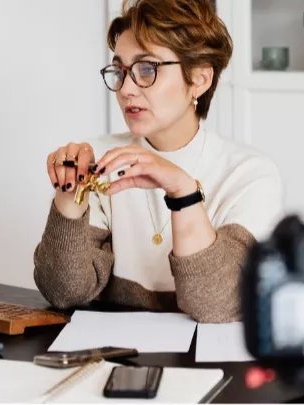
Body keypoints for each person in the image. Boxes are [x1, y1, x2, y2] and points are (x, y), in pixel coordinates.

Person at [33, 0, 284, 323]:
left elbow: (218, 304)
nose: (126, 89)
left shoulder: (250, 175)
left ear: (200, 79)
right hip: (115, 360)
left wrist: (183, 192)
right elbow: (64, 292)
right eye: (120, 71)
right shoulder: (98, 161)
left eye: (147, 69)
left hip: (209, 367)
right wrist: (69, 197)